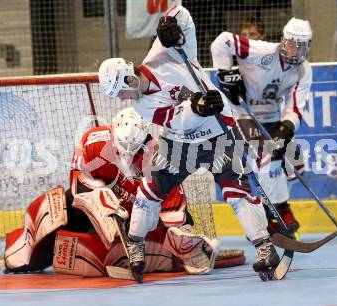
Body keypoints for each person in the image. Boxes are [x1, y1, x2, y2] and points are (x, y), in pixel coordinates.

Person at [98, 5, 278, 283]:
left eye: (120, 91)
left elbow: (182, 13)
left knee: (234, 189)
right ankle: (135, 242)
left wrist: (169, 23)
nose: (122, 99)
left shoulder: (164, 52)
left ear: (129, 77)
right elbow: (179, 122)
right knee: (150, 190)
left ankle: (264, 246)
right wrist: (200, 106)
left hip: (217, 132)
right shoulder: (143, 106)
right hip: (180, 143)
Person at [4, 107, 219, 277]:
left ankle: (173, 250)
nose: (125, 156)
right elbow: (78, 179)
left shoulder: (159, 159)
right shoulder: (95, 141)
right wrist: (100, 202)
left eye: (133, 148)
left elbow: (173, 209)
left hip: (134, 223)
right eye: (121, 146)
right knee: (54, 205)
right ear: (113, 131)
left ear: (145, 139)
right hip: (98, 212)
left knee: (91, 253)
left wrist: (181, 234)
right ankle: (21, 252)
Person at [211, 17, 312, 239]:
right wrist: (224, 74)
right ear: (283, 41)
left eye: (301, 45)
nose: (294, 50)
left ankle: (268, 212)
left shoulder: (304, 70)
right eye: (290, 43)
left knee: (296, 162)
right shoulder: (260, 50)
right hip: (243, 114)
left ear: (308, 46)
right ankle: (279, 212)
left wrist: (285, 130)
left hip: (272, 117)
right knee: (270, 157)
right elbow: (222, 41)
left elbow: (295, 108)